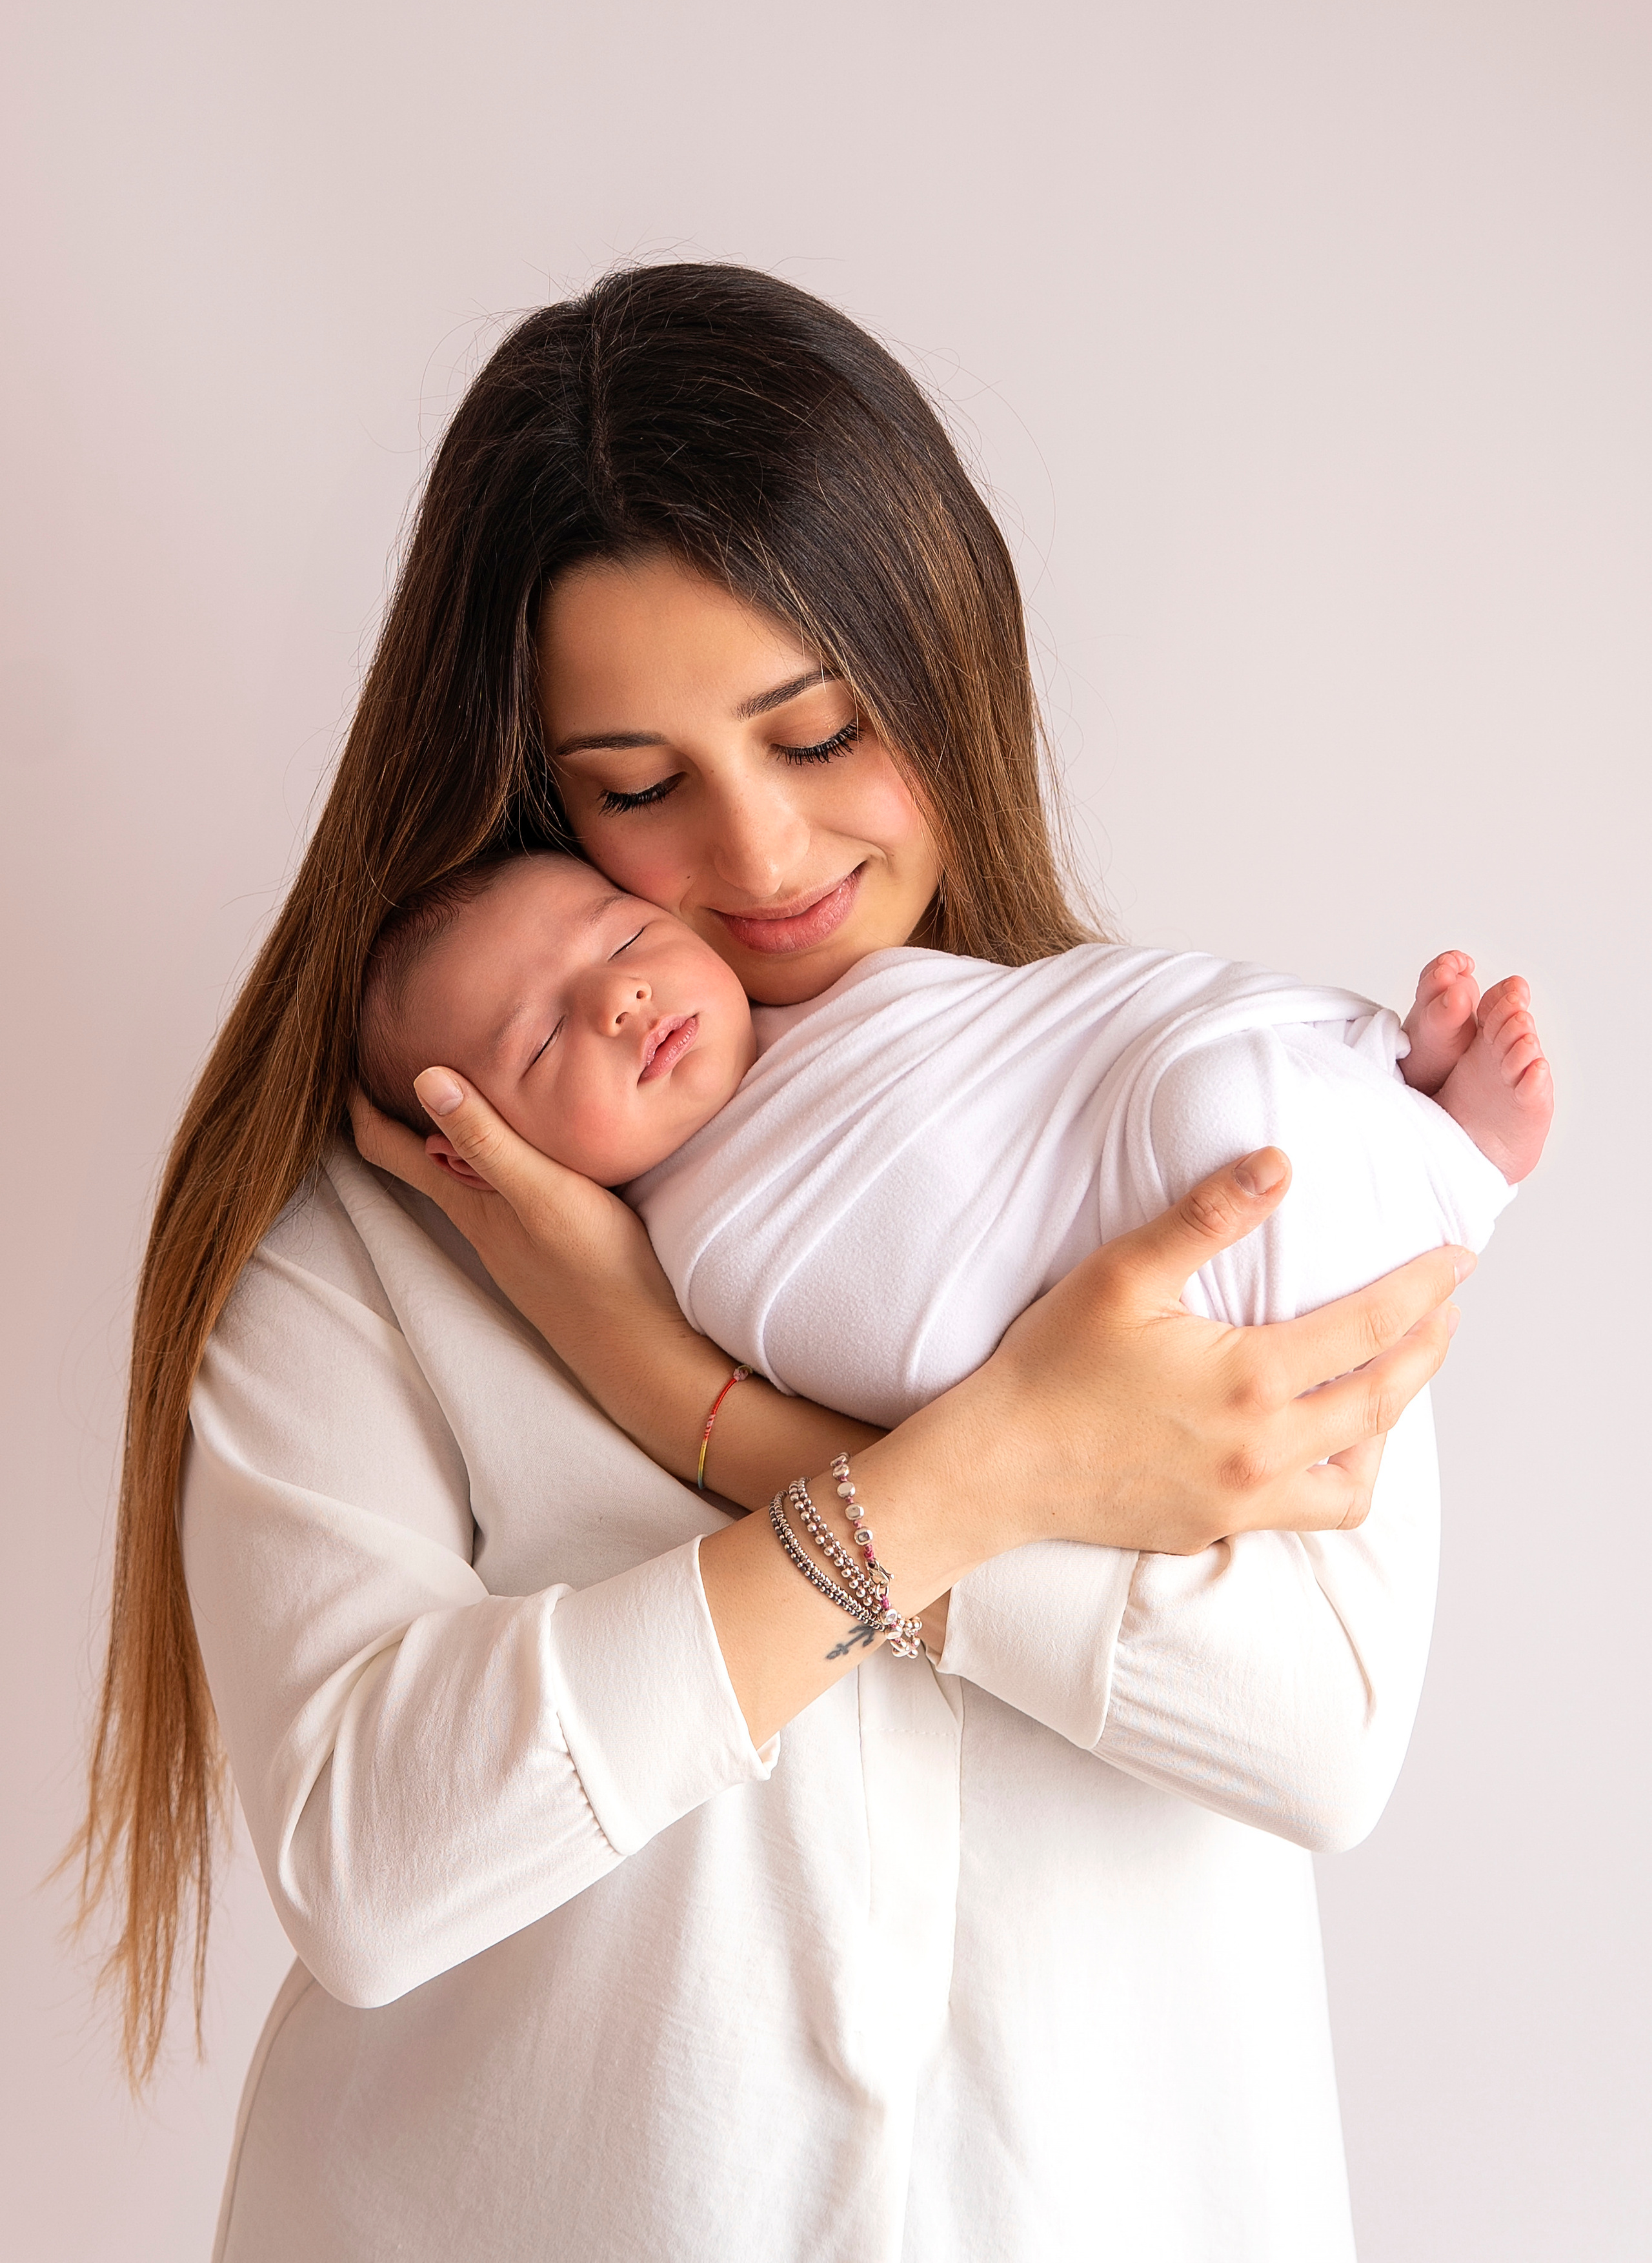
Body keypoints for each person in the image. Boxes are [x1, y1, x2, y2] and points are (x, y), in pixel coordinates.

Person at [77, 265, 1478, 2263]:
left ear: (949, 661)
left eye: (820, 730)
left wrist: (694, 1407)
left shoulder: (1185, 1117)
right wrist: (966, 1480)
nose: (760, 853)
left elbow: (1318, 1738)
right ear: (532, 783)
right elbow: (365, 1862)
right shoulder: (381, 1250)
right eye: (638, 787)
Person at [352, 846, 1546, 1537]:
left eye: (620, 941)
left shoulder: (835, 989)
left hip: (1141, 1128)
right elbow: (916, 1347)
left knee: (1191, 1073)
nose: (619, 1005)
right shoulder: (719, 1248)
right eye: (543, 1042)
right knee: (1218, 1124)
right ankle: (1452, 1156)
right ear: (484, 1148)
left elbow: (1053, 1038)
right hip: (1172, 1302)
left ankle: (1384, 1096)